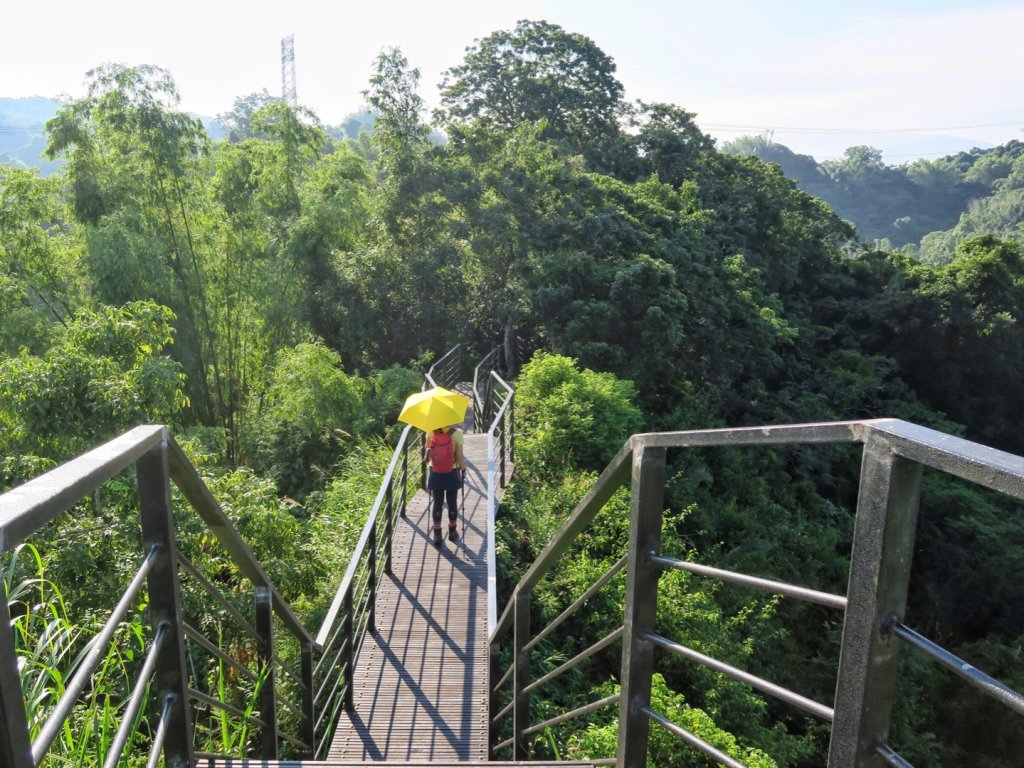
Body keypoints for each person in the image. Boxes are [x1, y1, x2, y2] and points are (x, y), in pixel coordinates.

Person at [425, 424, 464, 545]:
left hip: (435, 471)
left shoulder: (430, 432)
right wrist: (463, 469)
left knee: (437, 502)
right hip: (452, 472)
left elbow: (427, 454)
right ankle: (452, 532)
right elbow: (459, 456)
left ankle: (437, 534)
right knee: (452, 501)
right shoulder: (457, 433)